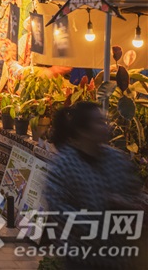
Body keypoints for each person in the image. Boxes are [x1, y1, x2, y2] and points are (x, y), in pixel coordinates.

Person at [46, 102, 143, 269]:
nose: (106, 126)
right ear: (83, 131)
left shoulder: (116, 159)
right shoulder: (64, 167)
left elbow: (134, 193)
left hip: (119, 259)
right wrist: (101, 222)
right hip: (82, 260)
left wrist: (127, 203)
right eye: (99, 122)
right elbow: (59, 211)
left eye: (104, 121)